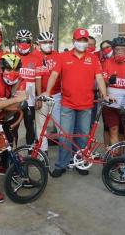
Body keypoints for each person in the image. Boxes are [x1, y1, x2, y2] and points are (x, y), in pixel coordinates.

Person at [42, 28, 113, 178]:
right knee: (65, 136)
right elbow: (54, 74)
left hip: (86, 105)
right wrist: (48, 92)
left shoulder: (93, 59)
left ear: (87, 42)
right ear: (74, 41)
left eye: (84, 40)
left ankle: (80, 163)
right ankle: (62, 164)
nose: (81, 43)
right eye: (79, 40)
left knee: (82, 136)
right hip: (67, 104)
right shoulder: (63, 57)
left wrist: (105, 95)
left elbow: (99, 78)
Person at [0, 54, 28, 203]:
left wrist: (4, 103)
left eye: (16, 69)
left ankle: (4, 167)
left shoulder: (22, 80)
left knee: (9, 141)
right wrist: (14, 99)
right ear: (1, 69)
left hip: (7, 115)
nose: (12, 72)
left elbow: (16, 107)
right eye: (8, 68)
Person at [34, 32, 61, 154]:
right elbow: (36, 78)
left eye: (50, 42)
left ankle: (65, 155)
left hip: (57, 95)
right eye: (45, 42)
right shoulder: (34, 56)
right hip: (42, 96)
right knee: (41, 126)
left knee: (61, 126)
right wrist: (39, 96)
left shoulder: (59, 56)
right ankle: (43, 152)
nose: (48, 44)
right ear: (39, 44)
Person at [14, 29, 42, 146]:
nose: (24, 44)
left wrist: (39, 97)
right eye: (21, 41)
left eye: (27, 41)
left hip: (29, 100)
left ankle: (31, 153)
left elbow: (38, 79)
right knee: (13, 127)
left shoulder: (36, 59)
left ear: (31, 43)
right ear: (17, 42)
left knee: (29, 126)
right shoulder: (11, 57)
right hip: (13, 100)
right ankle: (13, 153)